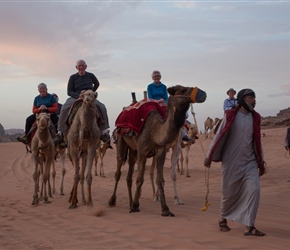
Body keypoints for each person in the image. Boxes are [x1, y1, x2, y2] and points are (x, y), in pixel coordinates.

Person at [204, 88, 266, 237]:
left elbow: (257, 141)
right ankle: (222, 219)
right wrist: (209, 155)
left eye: (254, 98)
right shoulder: (230, 115)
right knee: (228, 192)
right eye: (250, 98)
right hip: (231, 160)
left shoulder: (255, 117)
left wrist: (261, 161)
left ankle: (249, 226)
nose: (253, 101)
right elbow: (218, 135)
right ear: (242, 99)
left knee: (254, 190)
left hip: (250, 161)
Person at [54, 59, 110, 145]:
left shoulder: (91, 75)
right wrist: (78, 95)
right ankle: (60, 132)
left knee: (102, 107)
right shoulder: (72, 77)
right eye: (79, 66)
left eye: (82, 65)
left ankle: (103, 131)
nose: (81, 67)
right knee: (64, 108)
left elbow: (97, 84)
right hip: (76, 97)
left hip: (89, 96)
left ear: (86, 66)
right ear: (76, 67)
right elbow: (69, 91)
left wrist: (91, 93)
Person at [147, 70, 190, 142]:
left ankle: (183, 134)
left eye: (158, 76)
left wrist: (163, 101)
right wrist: (157, 101)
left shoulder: (164, 87)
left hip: (163, 104)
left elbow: (166, 97)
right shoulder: (150, 87)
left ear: (160, 77)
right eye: (155, 76)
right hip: (154, 104)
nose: (156, 78)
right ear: (152, 78)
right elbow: (150, 97)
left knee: (175, 116)